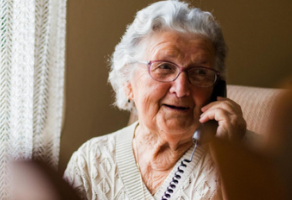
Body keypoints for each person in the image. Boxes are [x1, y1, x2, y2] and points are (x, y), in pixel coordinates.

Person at [63, 1, 248, 199]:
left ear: (216, 87)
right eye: (165, 67)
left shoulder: (248, 159)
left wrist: (232, 162)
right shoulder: (91, 162)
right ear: (128, 81)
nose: (182, 88)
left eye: (200, 72)